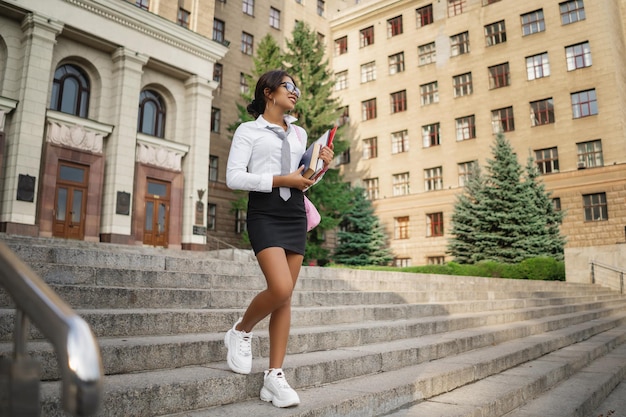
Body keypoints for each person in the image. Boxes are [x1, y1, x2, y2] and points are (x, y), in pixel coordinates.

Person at [224, 69, 334, 408]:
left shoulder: (299, 133)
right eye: (289, 86)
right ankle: (241, 330)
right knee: (281, 287)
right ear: (269, 92)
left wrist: (320, 167)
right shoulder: (249, 131)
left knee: (285, 298)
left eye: (297, 87)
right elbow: (233, 177)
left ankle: (274, 376)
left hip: (294, 214)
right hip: (265, 213)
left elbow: (302, 180)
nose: (295, 92)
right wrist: (280, 179)